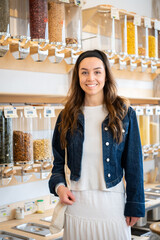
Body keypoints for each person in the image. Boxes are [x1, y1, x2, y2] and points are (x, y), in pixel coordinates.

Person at [49, 49, 145, 240]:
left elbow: (134, 164)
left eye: (97, 72)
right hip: (76, 206)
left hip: (112, 207)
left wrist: (135, 204)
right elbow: (57, 164)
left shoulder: (125, 114)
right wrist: (59, 187)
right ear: (77, 77)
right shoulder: (66, 116)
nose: (90, 77)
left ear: (106, 75)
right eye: (84, 72)